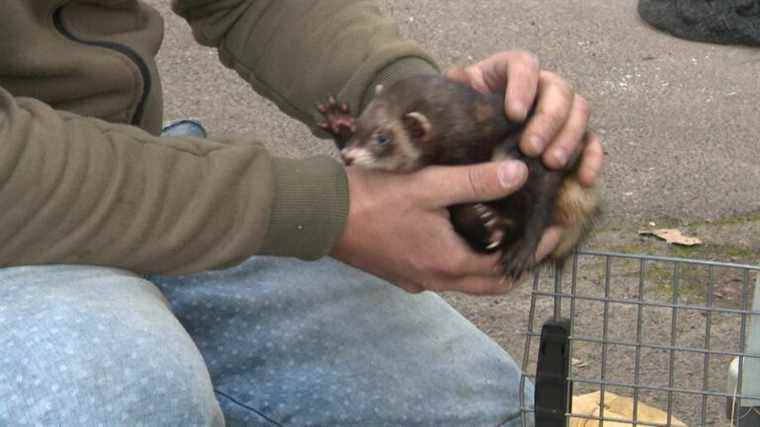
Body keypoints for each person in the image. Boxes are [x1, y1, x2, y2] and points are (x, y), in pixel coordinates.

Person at [0, 1, 602, 425]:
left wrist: (424, 101)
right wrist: (324, 209)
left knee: (482, 407)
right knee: (123, 399)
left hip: (131, 163)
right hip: (19, 225)